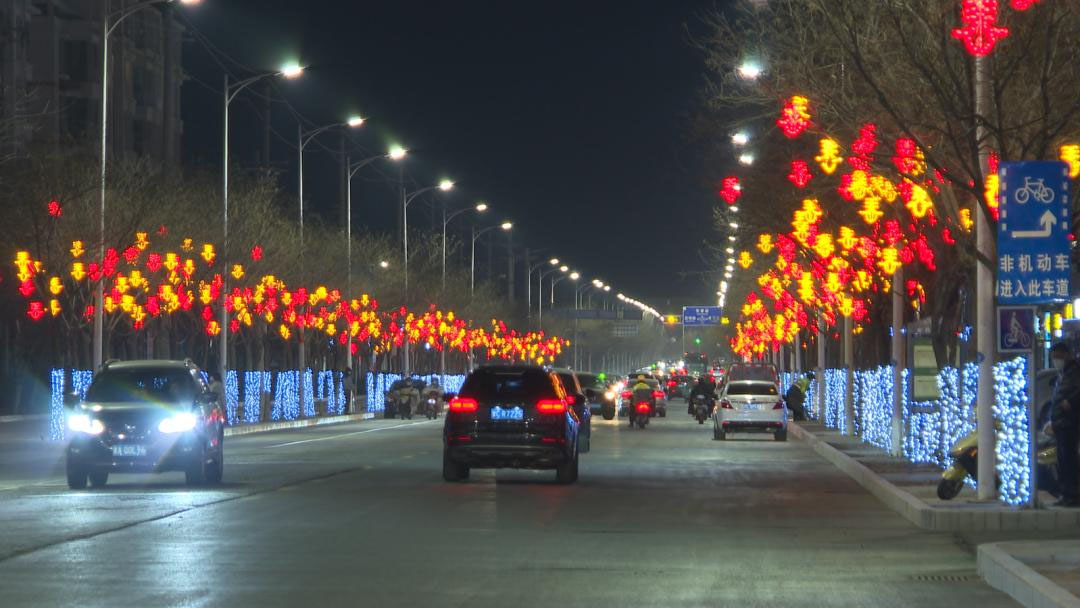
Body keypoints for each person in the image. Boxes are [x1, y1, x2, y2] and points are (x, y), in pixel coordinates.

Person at [1049, 342, 1080, 507]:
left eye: (1058, 357)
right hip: (1060, 424)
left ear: (1067, 355)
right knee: (1062, 460)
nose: (1056, 360)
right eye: (1054, 357)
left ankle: (1072, 495)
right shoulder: (1063, 374)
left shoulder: (1074, 371)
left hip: (1069, 423)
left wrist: (1071, 402)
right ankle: (1065, 494)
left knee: (1069, 460)